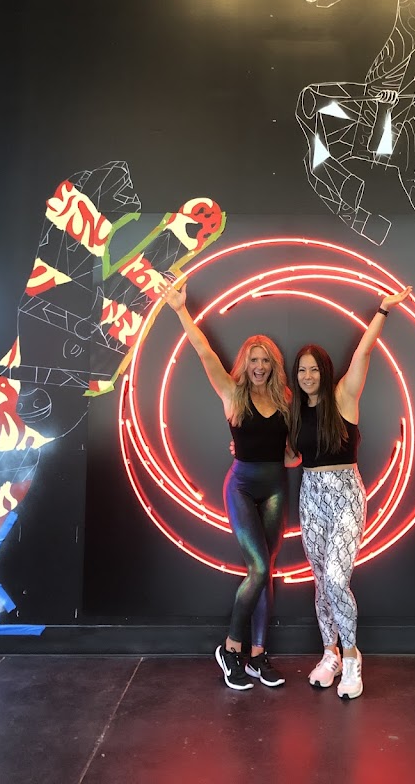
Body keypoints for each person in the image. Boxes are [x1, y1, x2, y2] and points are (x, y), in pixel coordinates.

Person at [161, 278, 294, 691]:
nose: (259, 366)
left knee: (267, 572)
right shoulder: (232, 392)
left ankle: (258, 656)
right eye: (254, 359)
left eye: (266, 360)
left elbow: (291, 453)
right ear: (245, 362)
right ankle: (231, 649)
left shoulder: (285, 398)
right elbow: (203, 350)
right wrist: (181, 309)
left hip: (276, 488)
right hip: (241, 488)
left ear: (273, 364)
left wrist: (300, 456)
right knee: (258, 568)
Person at [289, 285, 412, 700]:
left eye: (313, 369)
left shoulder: (343, 396)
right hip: (310, 495)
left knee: (336, 578)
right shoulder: (296, 411)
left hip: (345, 495)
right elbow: (291, 456)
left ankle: (352, 656)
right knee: (320, 581)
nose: (308, 376)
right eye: (301, 371)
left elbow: (364, 352)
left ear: (324, 371)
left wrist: (383, 310)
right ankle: (330, 654)